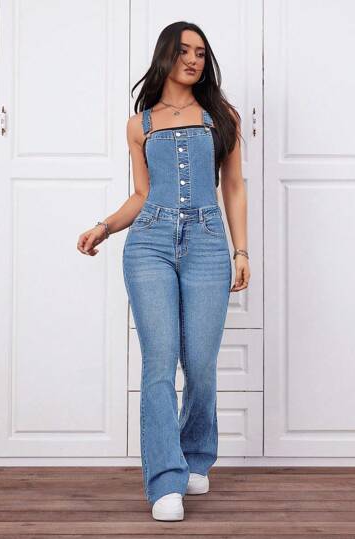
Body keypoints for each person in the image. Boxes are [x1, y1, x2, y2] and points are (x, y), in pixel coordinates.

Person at [77, 21, 251, 521]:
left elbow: (233, 186)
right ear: (165, 56)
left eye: (201, 53)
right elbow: (141, 194)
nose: (193, 60)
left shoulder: (222, 117)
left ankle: (195, 456)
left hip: (208, 244)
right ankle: (164, 481)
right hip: (149, 244)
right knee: (159, 362)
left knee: (200, 364)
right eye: (184, 51)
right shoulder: (140, 124)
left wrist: (241, 251)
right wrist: (104, 227)